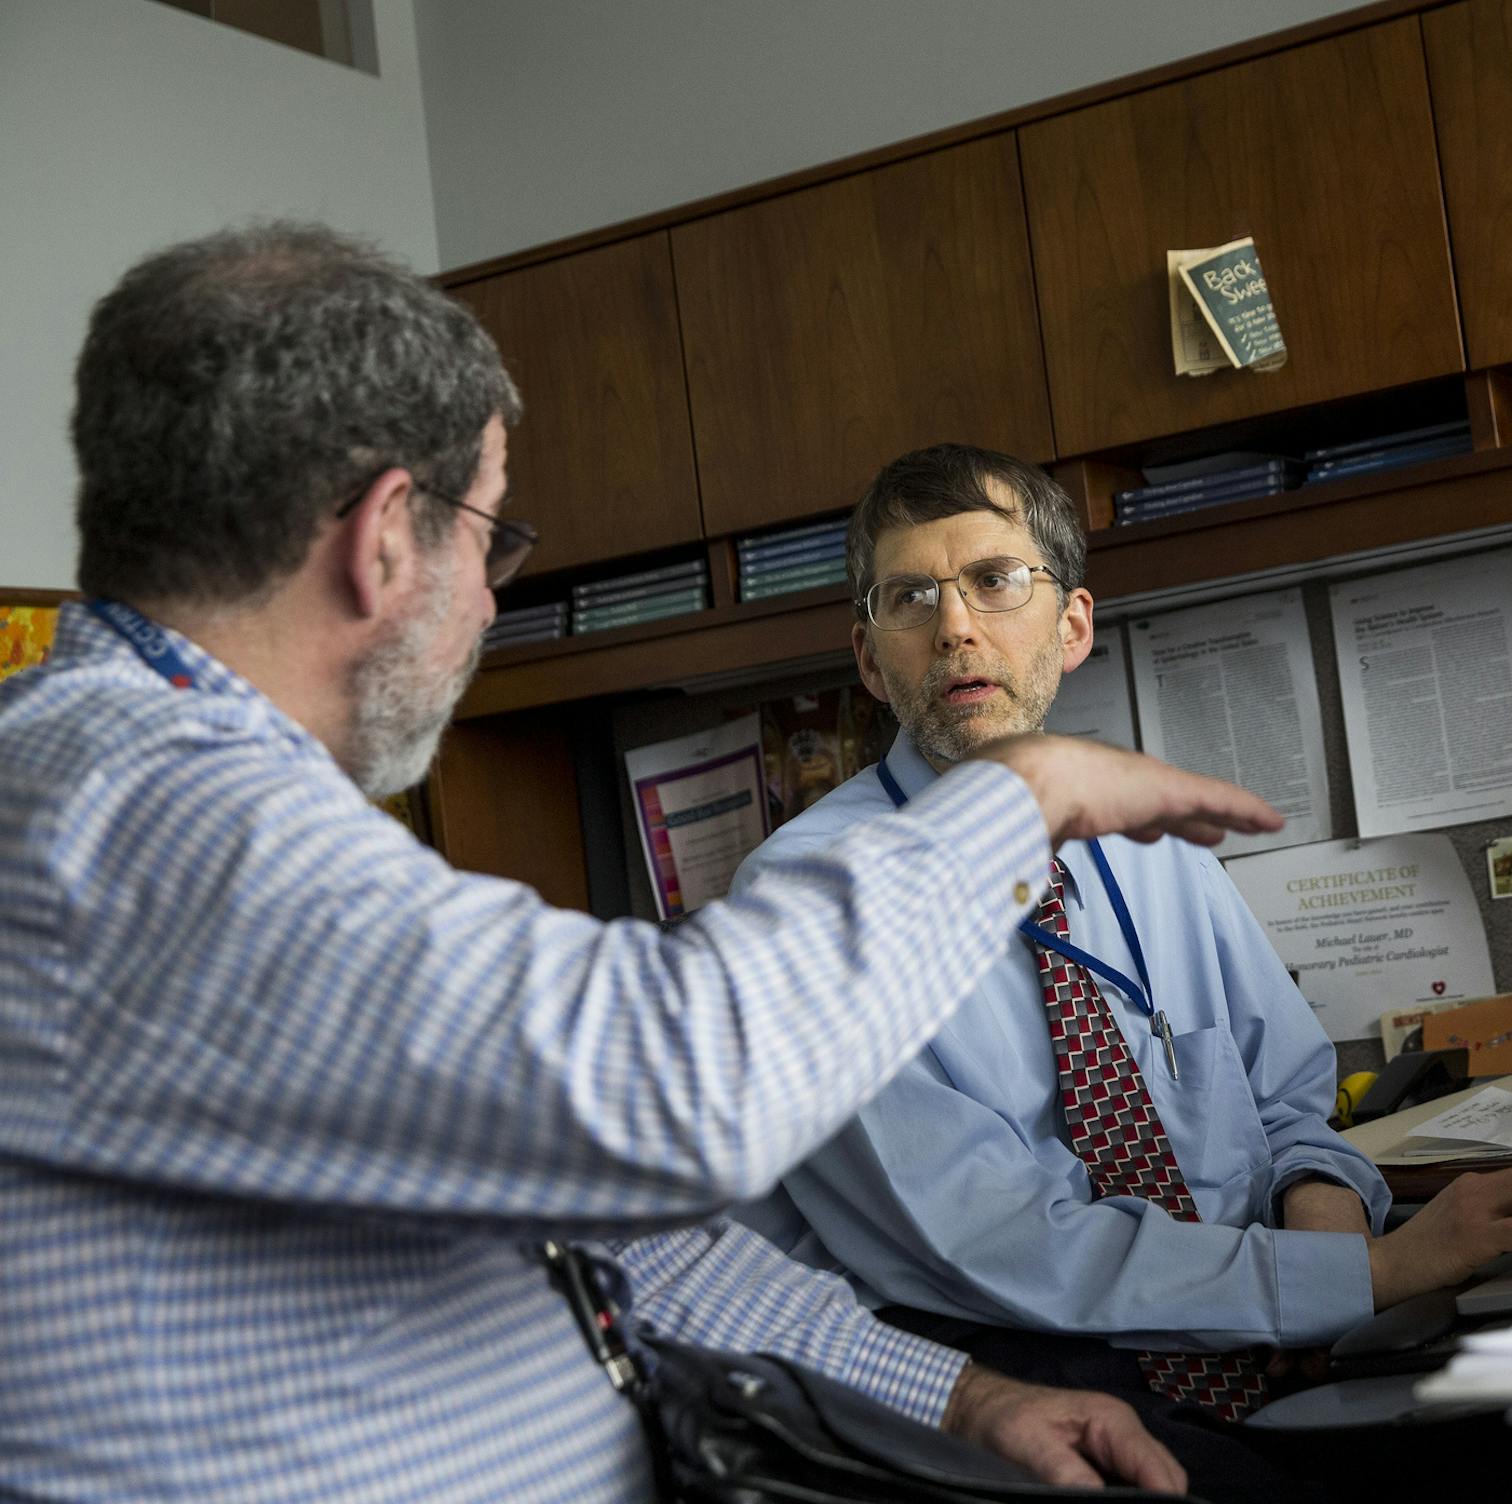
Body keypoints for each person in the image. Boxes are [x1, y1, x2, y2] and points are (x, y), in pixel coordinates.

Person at [0, 225, 1285, 1502]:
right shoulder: (127, 807)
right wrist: (1026, 793)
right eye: (491, 541)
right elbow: (683, 1085)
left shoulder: (191, 798)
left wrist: (965, 1396)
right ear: (389, 535)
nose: (493, 603)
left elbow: (612, 1232)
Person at [727, 445, 1512, 1496]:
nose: (955, 625)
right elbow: (1002, 1247)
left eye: (996, 581)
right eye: (913, 596)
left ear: (1073, 625)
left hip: (1245, 1330)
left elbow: (1284, 1097)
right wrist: (1353, 1275)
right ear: (872, 660)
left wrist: (1320, 1209)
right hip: (1012, 1370)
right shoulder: (812, 897)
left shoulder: (1149, 836)